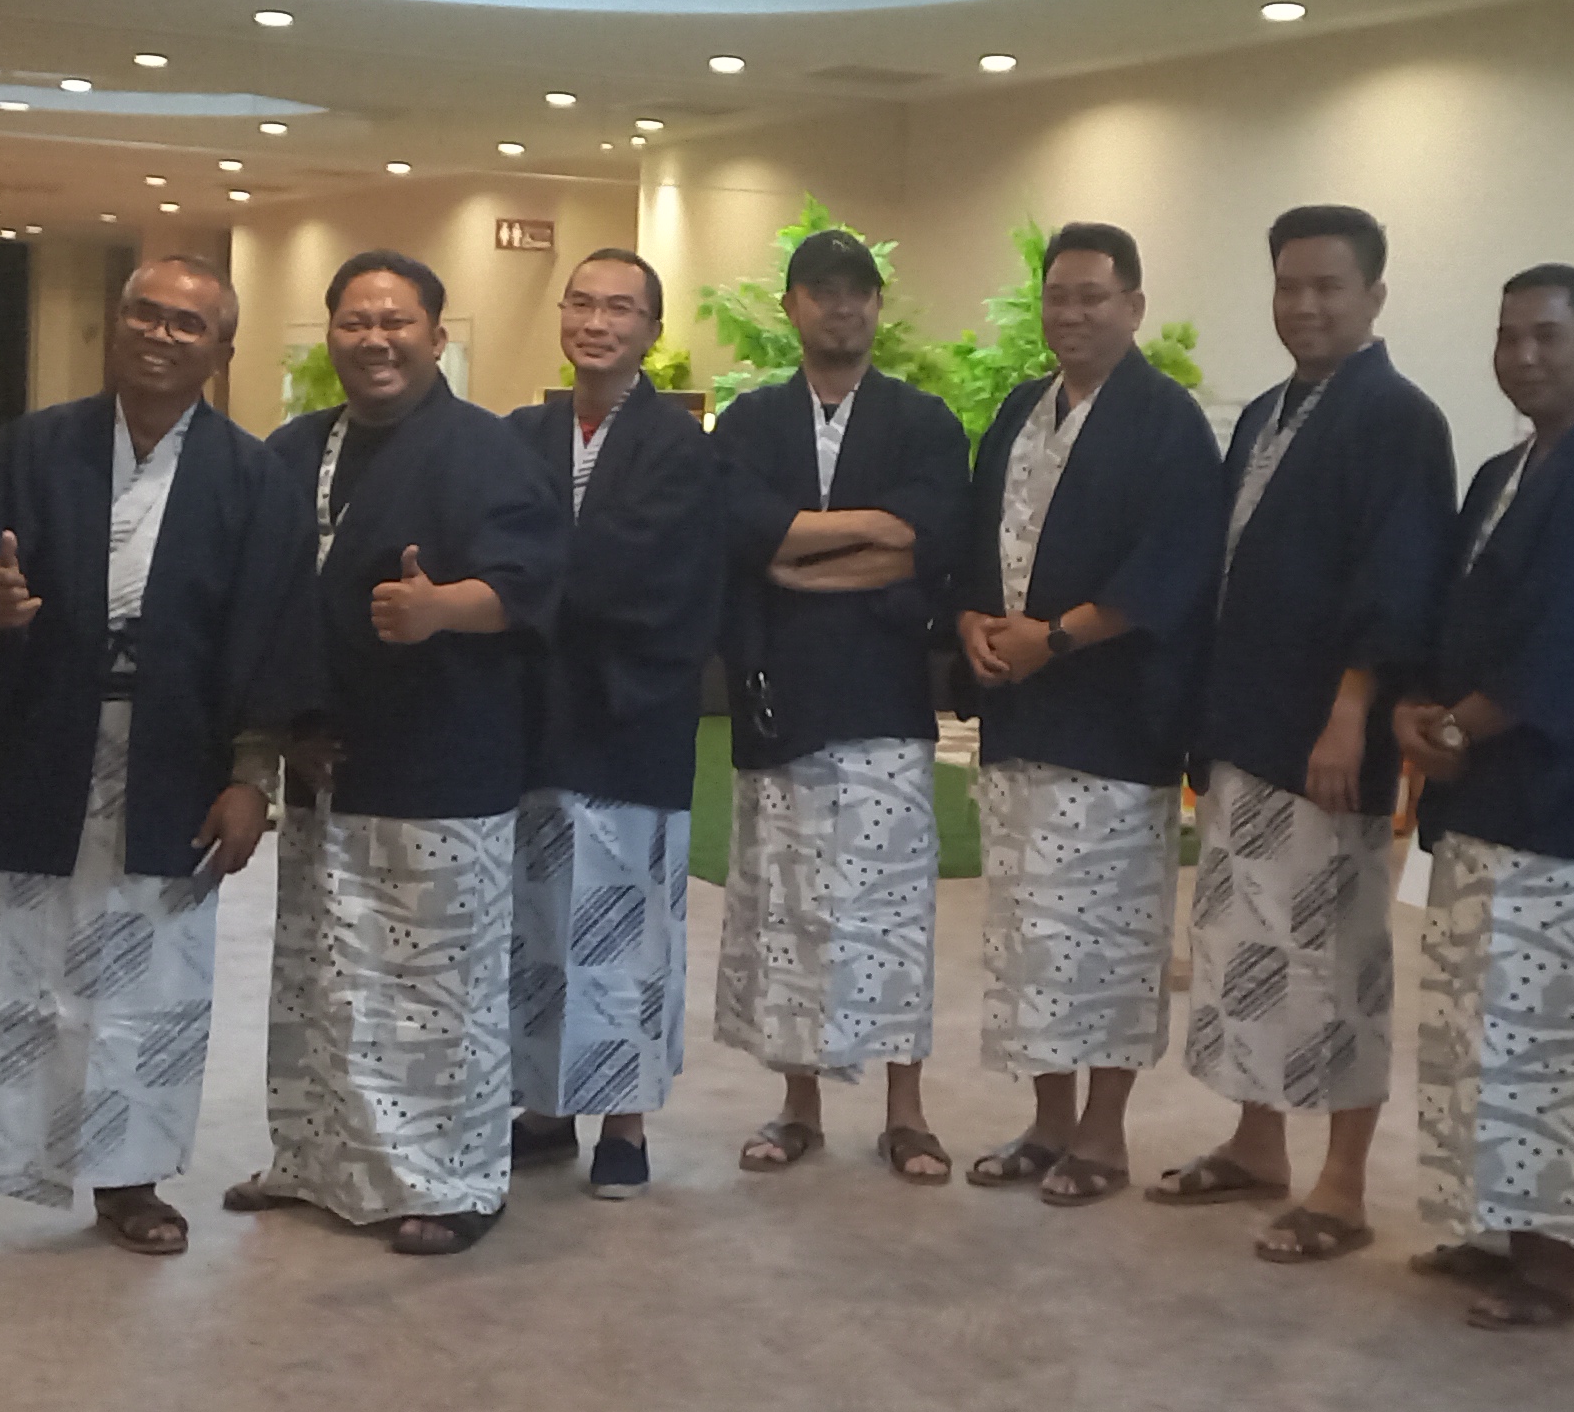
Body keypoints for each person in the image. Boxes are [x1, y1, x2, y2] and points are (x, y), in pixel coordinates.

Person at [0, 255, 306, 1276]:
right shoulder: (35, 445)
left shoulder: (251, 476)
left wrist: (252, 774)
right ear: (115, 322)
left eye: (188, 324)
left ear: (223, 351)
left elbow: (275, 630)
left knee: (153, 976)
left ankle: (127, 1176)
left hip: (178, 752)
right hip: (40, 735)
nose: (160, 334)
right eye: (145, 313)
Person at [238, 252, 564, 1256]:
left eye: (397, 322)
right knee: (323, 977)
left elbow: (532, 581)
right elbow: (260, 597)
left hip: (444, 760)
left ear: (436, 336)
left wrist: (441, 609)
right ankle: (314, 1160)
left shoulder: (488, 450)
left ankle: (454, 1183)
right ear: (330, 332)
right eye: (355, 321)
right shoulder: (294, 448)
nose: (375, 339)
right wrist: (284, 729)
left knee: (435, 993)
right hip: (326, 762)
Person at [1391, 265, 1574, 1325]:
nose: (1523, 355)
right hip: (1479, 800)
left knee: (1548, 1043)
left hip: (1563, 807)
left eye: (1548, 336)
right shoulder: (1501, 473)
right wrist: (1416, 708)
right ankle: (1498, 1229)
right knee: (1479, 1035)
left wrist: (1453, 728)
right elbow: (1450, 620)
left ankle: (1558, 1263)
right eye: (1508, 335)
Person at [1154, 205, 1453, 1262]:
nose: (1306, 305)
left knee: (1334, 958)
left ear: (1374, 295)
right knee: (1249, 949)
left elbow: (1399, 578)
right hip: (1248, 723)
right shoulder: (1267, 414)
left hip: (1329, 736)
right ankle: (1256, 1142)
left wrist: (1351, 710)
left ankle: (1343, 1183)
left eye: (1329, 286)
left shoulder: (1398, 417)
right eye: (1290, 285)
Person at [951, 223, 1223, 1206]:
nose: (1071, 314)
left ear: (1133, 306)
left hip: (1114, 721)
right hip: (1021, 716)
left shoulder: (1167, 421)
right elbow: (977, 541)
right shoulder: (1021, 410)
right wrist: (973, 622)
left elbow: (1174, 566)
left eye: (1092, 297)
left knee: (1108, 936)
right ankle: (1048, 1121)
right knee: (1029, 933)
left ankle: (1103, 1136)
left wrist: (1056, 639)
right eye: (1057, 296)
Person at [709, 228, 972, 1181]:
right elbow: (736, 531)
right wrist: (865, 535)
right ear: (791, 307)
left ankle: (907, 1111)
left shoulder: (922, 420)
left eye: (858, 290)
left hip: (882, 697)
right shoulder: (749, 423)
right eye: (821, 290)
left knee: (891, 913)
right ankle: (799, 1105)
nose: (842, 305)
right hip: (779, 696)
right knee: (788, 912)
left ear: (877, 305)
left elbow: (927, 541)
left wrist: (797, 555)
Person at [503, 250, 727, 1198]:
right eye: (583, 304)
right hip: (532, 718)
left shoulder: (682, 447)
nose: (598, 323)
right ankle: (545, 1108)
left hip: (630, 717)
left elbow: (651, 573)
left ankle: (624, 1123)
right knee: (536, 925)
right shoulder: (522, 432)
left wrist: (525, 590)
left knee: (625, 931)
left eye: (621, 309)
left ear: (651, 330)